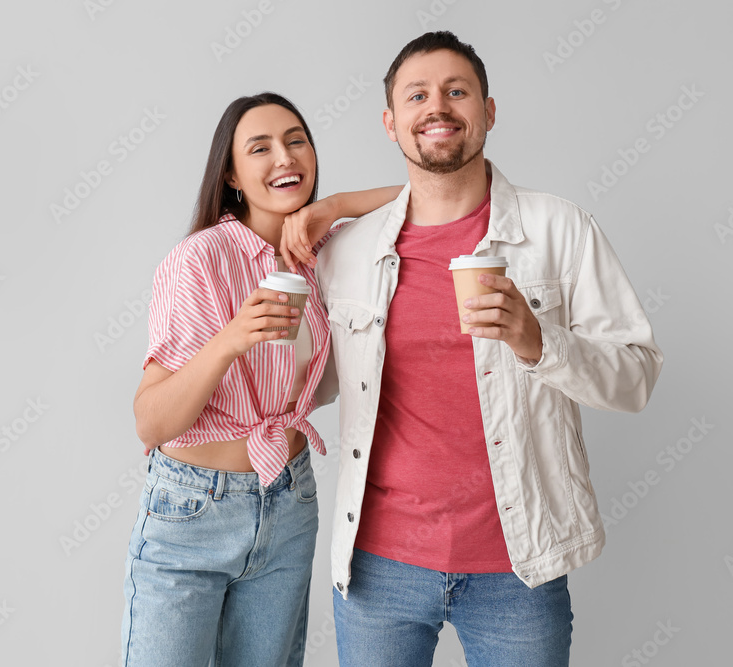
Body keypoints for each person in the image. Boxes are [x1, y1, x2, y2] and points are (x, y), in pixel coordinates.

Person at [283, 32, 664, 666]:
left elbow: (637, 378)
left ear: (488, 112)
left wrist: (538, 341)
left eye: (457, 92)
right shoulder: (347, 252)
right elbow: (306, 384)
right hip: (379, 568)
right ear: (391, 122)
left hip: (518, 567)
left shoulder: (558, 230)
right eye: (418, 95)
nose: (437, 107)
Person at [121, 92, 399, 667]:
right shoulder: (198, 259)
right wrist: (232, 337)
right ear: (232, 174)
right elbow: (150, 419)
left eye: (296, 140)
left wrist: (338, 206)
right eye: (261, 147)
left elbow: (431, 200)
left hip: (289, 500)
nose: (285, 157)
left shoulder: (323, 253)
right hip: (192, 511)